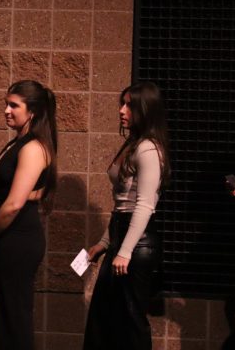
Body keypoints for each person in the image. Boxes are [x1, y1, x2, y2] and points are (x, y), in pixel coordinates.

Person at [83, 82, 171, 350]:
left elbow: (144, 205)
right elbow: (121, 205)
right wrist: (104, 243)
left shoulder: (148, 149)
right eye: (121, 103)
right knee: (105, 315)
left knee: (130, 318)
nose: (121, 110)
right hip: (123, 238)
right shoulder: (133, 144)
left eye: (129, 105)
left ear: (144, 109)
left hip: (137, 244)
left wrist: (125, 251)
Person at [0, 80, 57, 350]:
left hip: (17, 241)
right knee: (4, 315)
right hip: (3, 238)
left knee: (15, 317)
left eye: (13, 105)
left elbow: (13, 204)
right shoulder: (16, 143)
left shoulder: (34, 148)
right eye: (6, 103)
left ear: (31, 111)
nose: (6, 110)